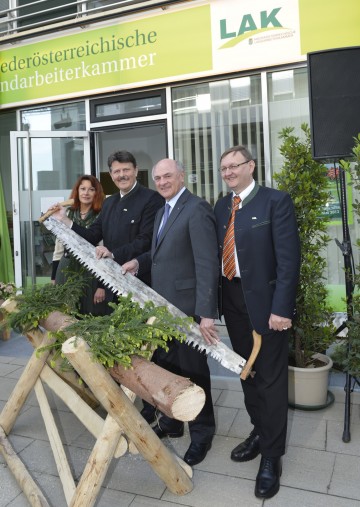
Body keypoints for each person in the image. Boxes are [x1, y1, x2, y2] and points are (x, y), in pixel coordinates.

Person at [214, 145, 300, 499]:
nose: (229, 172)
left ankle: (272, 455)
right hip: (232, 303)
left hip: (266, 308)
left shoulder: (275, 202)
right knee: (246, 372)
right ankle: (259, 430)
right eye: (224, 168)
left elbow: (288, 259)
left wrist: (281, 309)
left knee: (271, 380)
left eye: (235, 165)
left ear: (251, 166)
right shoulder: (221, 206)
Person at [122, 158, 219, 467]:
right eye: (158, 178)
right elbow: (160, 254)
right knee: (167, 369)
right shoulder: (164, 210)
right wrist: (138, 263)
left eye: (167, 176)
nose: (162, 181)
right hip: (163, 311)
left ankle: (202, 433)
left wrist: (206, 313)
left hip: (188, 311)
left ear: (182, 176)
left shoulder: (196, 208)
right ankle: (173, 424)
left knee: (194, 373)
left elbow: (207, 262)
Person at [49, 150, 164, 309]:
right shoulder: (109, 203)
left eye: (126, 170)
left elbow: (146, 241)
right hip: (112, 282)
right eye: (117, 171)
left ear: (136, 171)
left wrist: (114, 254)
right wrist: (65, 219)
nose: (121, 175)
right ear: (111, 175)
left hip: (139, 283)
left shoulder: (152, 199)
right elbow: (92, 235)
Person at [51, 174, 107, 316]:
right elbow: (58, 249)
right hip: (66, 269)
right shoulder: (66, 213)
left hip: (92, 271)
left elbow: (104, 252)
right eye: (82, 189)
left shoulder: (102, 215)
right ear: (77, 191)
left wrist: (102, 286)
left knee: (90, 315)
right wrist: (53, 278)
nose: (86, 193)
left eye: (91, 189)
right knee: (65, 315)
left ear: (97, 193)